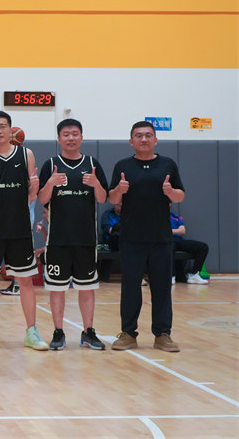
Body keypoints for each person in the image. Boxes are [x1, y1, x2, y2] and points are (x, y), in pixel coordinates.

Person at [0, 110, 48, 351]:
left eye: (2, 126)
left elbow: (32, 197)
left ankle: (32, 332)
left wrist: (34, 187)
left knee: (25, 281)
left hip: (19, 230)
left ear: (10, 129)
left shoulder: (26, 155)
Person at [109, 121, 185, 352]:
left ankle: (162, 335)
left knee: (162, 288)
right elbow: (112, 199)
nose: (144, 139)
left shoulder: (168, 164)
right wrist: (119, 190)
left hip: (161, 238)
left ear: (155, 140)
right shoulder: (122, 166)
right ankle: (128, 334)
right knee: (130, 288)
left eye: (148, 135)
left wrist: (171, 192)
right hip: (131, 238)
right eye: (139, 135)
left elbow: (180, 196)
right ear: (131, 141)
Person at [37, 119, 109, 351]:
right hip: (58, 239)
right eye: (66, 134)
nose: (70, 138)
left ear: (81, 137)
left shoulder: (92, 164)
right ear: (59, 139)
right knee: (57, 288)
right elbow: (41, 199)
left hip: (86, 238)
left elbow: (102, 198)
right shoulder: (51, 164)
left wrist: (96, 183)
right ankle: (58, 332)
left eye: (75, 134)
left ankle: (88, 331)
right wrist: (50, 183)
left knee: (86, 288)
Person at [170, 209, 209, 284]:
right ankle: (171, 276)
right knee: (169, 247)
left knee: (203, 247)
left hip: (179, 240)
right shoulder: (159, 217)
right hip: (168, 240)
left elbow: (182, 231)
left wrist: (168, 230)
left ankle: (193, 275)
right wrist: (176, 230)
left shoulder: (176, 217)